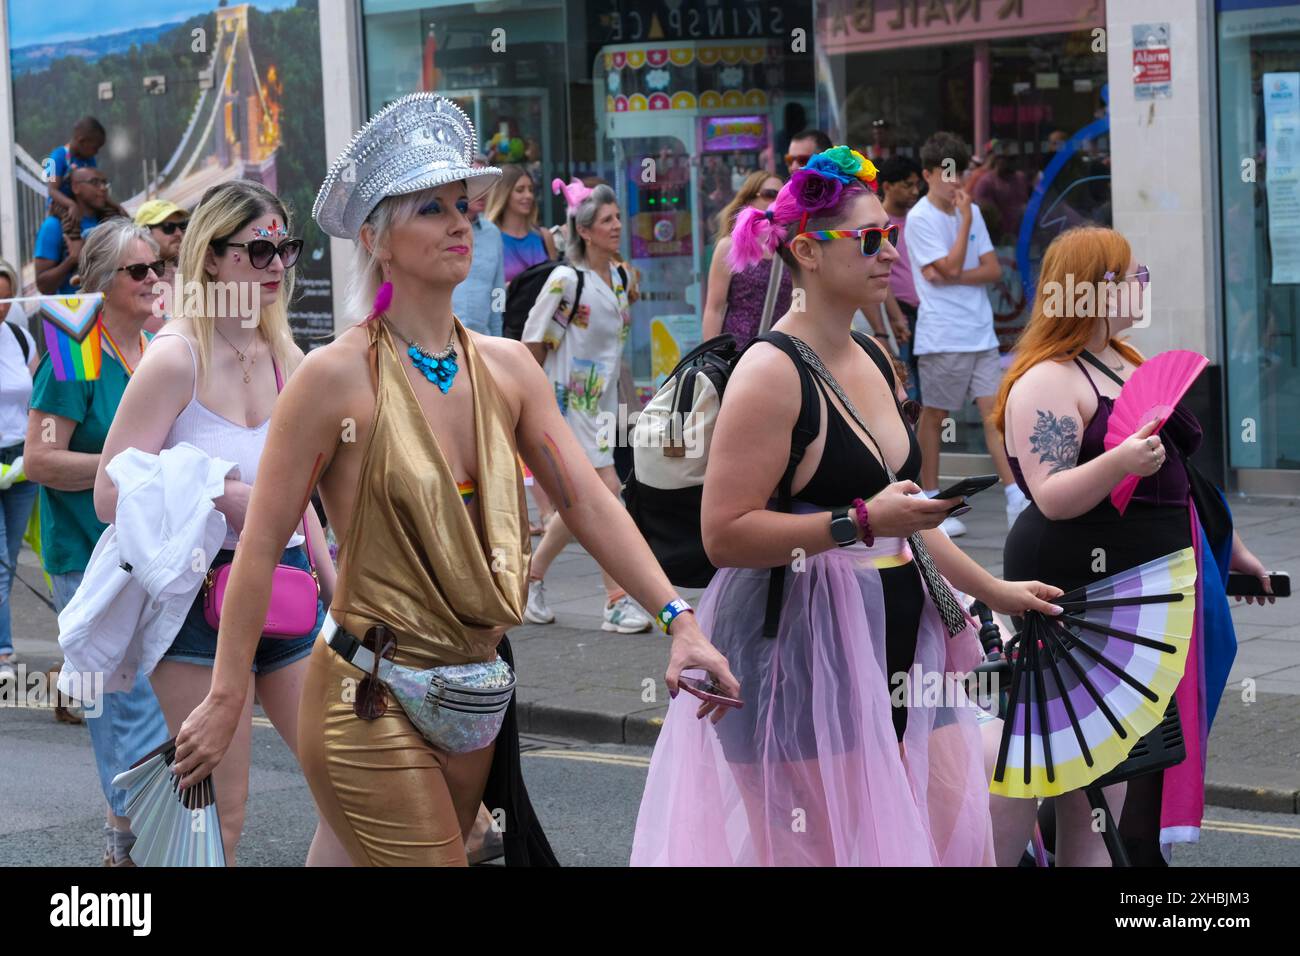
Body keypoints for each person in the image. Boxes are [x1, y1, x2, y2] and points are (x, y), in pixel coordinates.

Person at [166, 93, 736, 867]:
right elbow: (262, 548)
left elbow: (587, 500)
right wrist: (228, 695)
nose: (460, 222)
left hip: (477, 694)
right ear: (376, 239)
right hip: (368, 693)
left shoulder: (507, 368)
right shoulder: (333, 378)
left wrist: (681, 622)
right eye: (431, 208)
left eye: (464, 205)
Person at [630, 145, 1062, 866]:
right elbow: (725, 534)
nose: (888, 251)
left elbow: (910, 513)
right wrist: (859, 523)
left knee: (923, 832)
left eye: (889, 234)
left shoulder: (871, 352)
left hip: (892, 640)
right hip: (792, 651)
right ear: (805, 250)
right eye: (868, 239)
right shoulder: (770, 373)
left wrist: (995, 590)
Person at [996, 226, 1263, 865]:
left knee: (1125, 762)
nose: (1141, 286)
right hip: (1078, 587)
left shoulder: (1125, 359)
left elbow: (1184, 479)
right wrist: (1119, 461)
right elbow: (1053, 495)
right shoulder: (1046, 381)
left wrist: (1235, 550)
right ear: (1087, 291)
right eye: (1128, 276)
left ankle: (1117, 856)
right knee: (1093, 772)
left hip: (1147, 581)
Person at [92, 181, 339, 864]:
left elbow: (300, 494)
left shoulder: (291, 359)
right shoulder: (176, 358)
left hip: (289, 595)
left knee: (349, 790)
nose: (276, 268)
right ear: (209, 258)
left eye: (284, 249)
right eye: (257, 251)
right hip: (199, 606)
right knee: (219, 818)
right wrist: (216, 492)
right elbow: (109, 495)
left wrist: (331, 576)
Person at [24, 218, 171, 867]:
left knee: (156, 698)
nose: (154, 280)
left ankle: (128, 841)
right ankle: (148, 838)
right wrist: (131, 468)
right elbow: (40, 459)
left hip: (157, 552)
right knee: (121, 703)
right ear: (101, 283)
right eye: (138, 271)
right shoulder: (73, 342)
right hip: (89, 553)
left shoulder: (159, 344)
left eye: (158, 266)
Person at [519, 179, 652, 633]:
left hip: (602, 405)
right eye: (608, 220)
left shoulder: (618, 277)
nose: (617, 226)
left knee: (580, 503)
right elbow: (533, 344)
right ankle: (616, 600)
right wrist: (527, 408)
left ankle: (531, 579)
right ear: (586, 230)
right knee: (606, 494)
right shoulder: (565, 280)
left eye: (618, 218)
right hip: (566, 403)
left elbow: (614, 350)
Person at [906, 132, 1026, 535]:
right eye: (945, 173)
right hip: (943, 335)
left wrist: (954, 273)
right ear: (927, 174)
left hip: (981, 334)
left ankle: (1014, 495)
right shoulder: (922, 218)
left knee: (994, 416)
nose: (954, 181)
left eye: (958, 172)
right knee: (936, 417)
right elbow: (949, 266)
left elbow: (989, 270)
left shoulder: (966, 211)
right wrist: (964, 231)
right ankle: (930, 500)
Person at [0, 259, 38, 685]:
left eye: (4, 296)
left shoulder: (18, 337)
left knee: (8, 561)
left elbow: (36, 395)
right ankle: (4, 652)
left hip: (19, 459)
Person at [701, 170, 792, 348]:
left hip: (779, 351)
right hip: (737, 352)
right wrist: (711, 356)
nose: (775, 202)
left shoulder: (789, 249)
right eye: (769, 194)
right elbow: (715, 308)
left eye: (781, 197)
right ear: (749, 200)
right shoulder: (729, 246)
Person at [877, 156, 923, 402]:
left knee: (925, 389)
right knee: (905, 389)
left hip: (925, 317)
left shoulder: (921, 218)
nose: (914, 191)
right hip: (898, 317)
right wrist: (895, 318)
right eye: (907, 185)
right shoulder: (880, 224)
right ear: (887, 187)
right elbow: (881, 275)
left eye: (917, 185)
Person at [450, 156, 507, 336]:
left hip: (483, 340)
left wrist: (498, 338)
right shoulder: (441, 231)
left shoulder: (493, 233)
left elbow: (498, 290)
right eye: (475, 181)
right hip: (440, 342)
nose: (483, 190)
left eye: (486, 184)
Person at [34, 167, 113, 295]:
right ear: (76, 187)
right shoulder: (53, 226)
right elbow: (43, 286)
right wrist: (72, 259)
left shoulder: (109, 222)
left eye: (104, 183)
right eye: (95, 182)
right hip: (75, 311)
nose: (103, 188)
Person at [44, 117, 127, 219]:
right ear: (82, 141)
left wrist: (116, 206)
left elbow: (96, 188)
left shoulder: (89, 159)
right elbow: (52, 190)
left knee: (110, 213)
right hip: (60, 205)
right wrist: (71, 204)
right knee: (70, 222)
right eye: (95, 148)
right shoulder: (55, 158)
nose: (97, 152)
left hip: (82, 204)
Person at [488, 164, 557, 283]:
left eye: (531, 190)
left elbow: (557, 284)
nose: (528, 195)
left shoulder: (544, 237)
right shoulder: (489, 238)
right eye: (520, 190)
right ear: (504, 193)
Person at [134, 199, 188, 333]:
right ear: (144, 232)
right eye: (168, 227)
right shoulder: (133, 281)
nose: (179, 234)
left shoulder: (190, 276)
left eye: (182, 226)